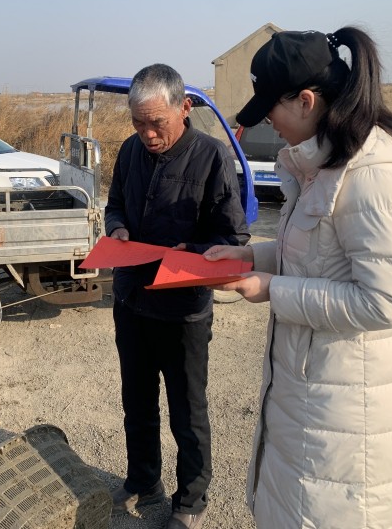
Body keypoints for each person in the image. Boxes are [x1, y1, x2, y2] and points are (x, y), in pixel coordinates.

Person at [205, 28, 392, 528]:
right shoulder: (322, 165)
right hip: (311, 394)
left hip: (347, 411)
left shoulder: (372, 174)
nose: (269, 122)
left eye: (271, 111)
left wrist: (272, 289)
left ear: (306, 101)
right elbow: (314, 255)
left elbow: (385, 302)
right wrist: (249, 256)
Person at [105, 63, 250, 529]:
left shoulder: (211, 156)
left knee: (188, 411)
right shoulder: (130, 151)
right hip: (132, 300)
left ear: (184, 107)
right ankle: (144, 480)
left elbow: (232, 236)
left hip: (183, 310)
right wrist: (117, 229)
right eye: (138, 123)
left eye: (156, 123)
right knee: (137, 402)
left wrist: (197, 251)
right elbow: (115, 205)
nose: (147, 134)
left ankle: (190, 501)